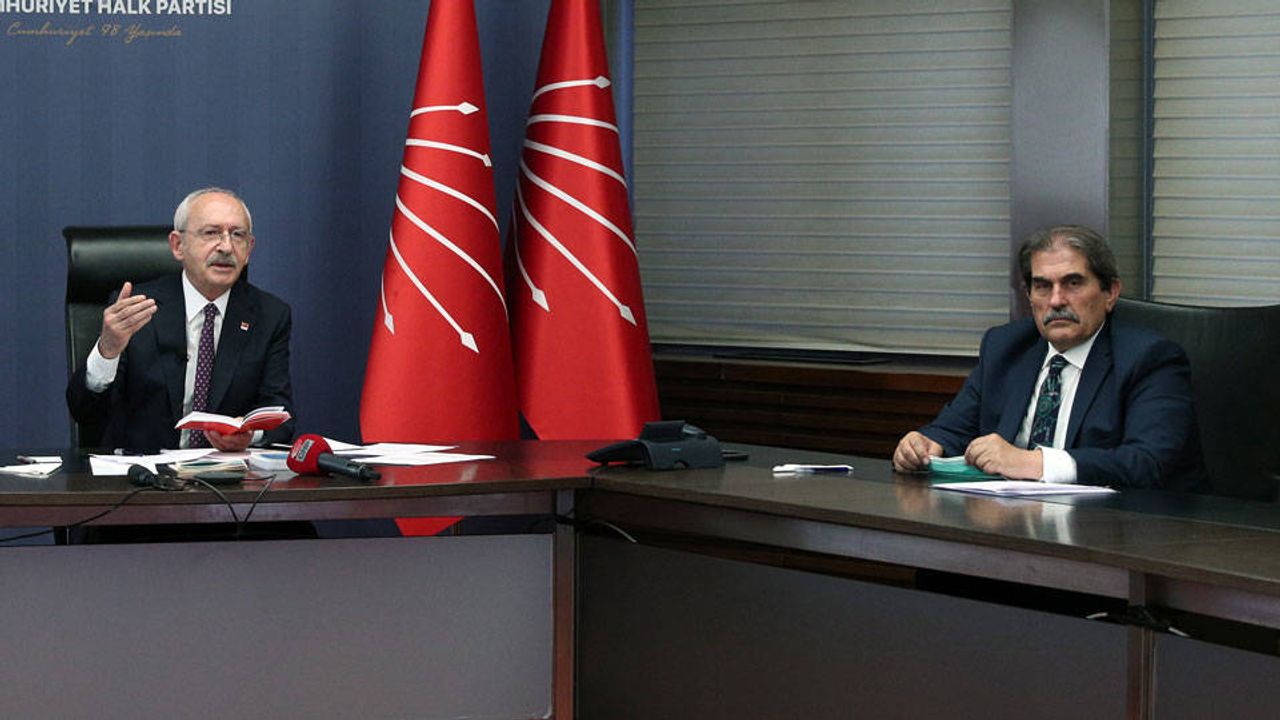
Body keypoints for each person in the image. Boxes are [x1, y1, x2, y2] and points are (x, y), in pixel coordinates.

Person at [892, 225, 1205, 491]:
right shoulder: (1005, 348)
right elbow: (952, 430)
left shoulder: (1149, 359)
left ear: (1110, 292)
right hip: (1009, 522)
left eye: (1073, 283)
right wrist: (924, 445)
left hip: (1115, 527)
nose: (1056, 300)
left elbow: (1148, 463)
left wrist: (1035, 463)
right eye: (1042, 287)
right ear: (1029, 296)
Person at [67, 187, 295, 453]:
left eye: (237, 235)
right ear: (178, 245)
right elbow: (85, 412)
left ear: (249, 249)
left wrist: (250, 434)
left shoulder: (269, 315)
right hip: (143, 472)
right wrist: (107, 350)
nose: (226, 247)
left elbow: (281, 416)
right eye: (211, 233)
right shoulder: (135, 308)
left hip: (225, 473)